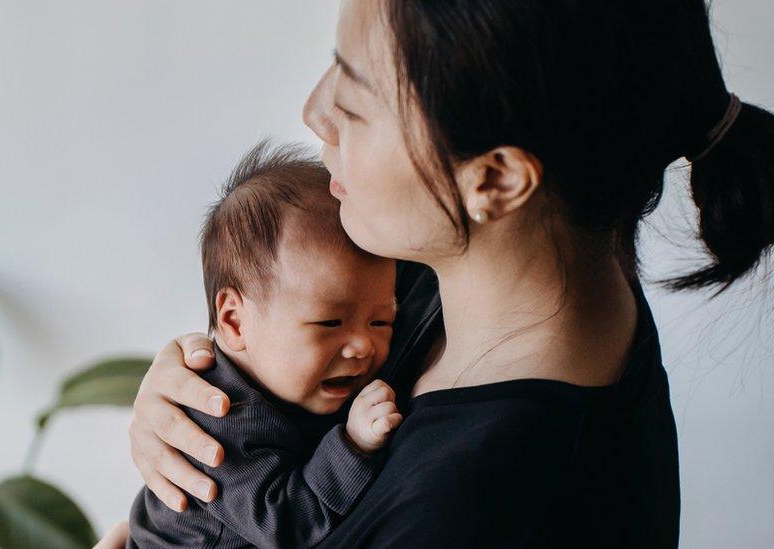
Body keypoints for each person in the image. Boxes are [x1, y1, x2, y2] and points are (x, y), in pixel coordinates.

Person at [104, 0, 774, 546]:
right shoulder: (485, 279)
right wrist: (201, 398)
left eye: (356, 96)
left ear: (497, 179)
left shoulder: (463, 508)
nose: (315, 111)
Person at [127, 142, 402, 548]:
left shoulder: (289, 380)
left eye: (382, 321)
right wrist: (352, 445)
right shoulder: (222, 419)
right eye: (329, 322)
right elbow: (285, 525)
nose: (363, 345)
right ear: (235, 321)